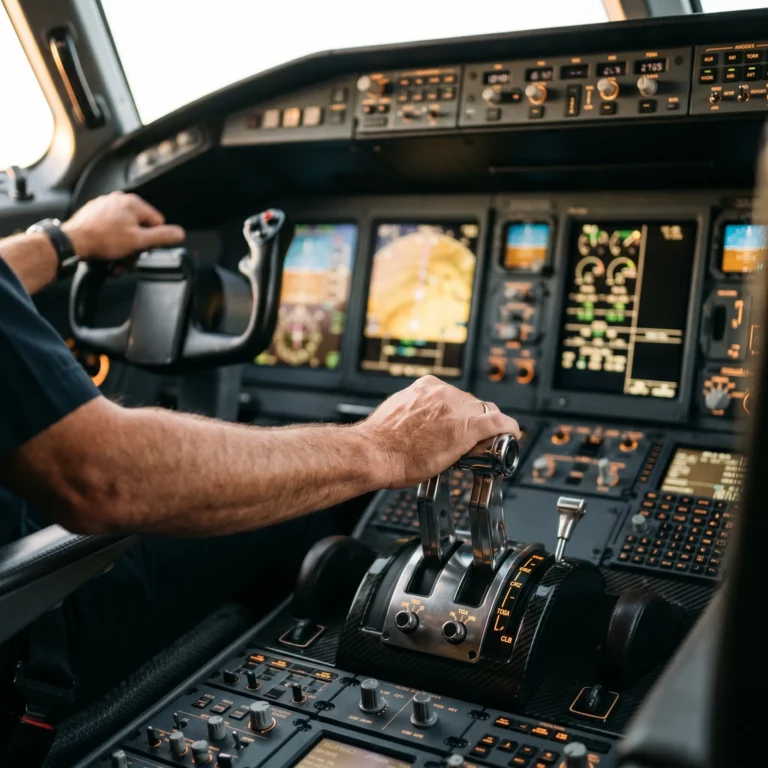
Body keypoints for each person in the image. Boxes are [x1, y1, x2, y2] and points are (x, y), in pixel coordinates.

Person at [0, 191, 519, 725]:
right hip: (26, 634)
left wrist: (63, 241)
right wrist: (382, 445)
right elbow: (103, 476)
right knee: (293, 516)